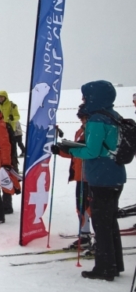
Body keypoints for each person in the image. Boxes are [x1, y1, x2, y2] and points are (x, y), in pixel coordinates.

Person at [57, 80, 126, 281]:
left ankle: (105, 268)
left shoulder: (97, 119)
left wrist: (70, 150)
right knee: (110, 222)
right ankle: (115, 264)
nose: (83, 99)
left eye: (86, 96)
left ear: (95, 97)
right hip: (115, 175)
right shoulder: (113, 116)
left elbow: (92, 151)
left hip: (101, 176)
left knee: (101, 224)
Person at [52, 105, 92, 249]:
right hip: (80, 175)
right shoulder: (80, 131)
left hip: (91, 175)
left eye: (85, 117)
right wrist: (60, 151)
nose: (83, 120)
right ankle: (85, 235)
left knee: (92, 208)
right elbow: (75, 153)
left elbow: (91, 150)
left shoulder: (95, 130)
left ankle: (100, 240)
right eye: (81, 117)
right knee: (81, 206)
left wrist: (77, 147)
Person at [0, 91, 20, 214]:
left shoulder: (12, 105)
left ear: (5, 97)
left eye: (2, 97)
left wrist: (12, 118)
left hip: (10, 130)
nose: (0, 99)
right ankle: (4, 204)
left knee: (6, 174)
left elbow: (17, 116)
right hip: (1, 130)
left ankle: (7, 205)